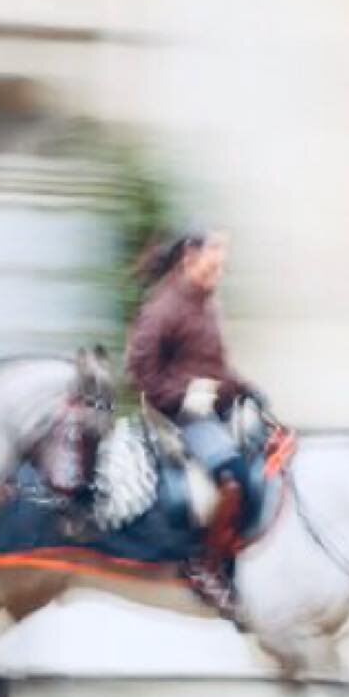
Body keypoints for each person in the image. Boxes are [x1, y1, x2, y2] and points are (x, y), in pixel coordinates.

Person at [124, 228, 263, 615]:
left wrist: (245, 388)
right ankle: (205, 567)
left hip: (212, 406)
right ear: (190, 255)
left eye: (225, 249)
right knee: (233, 478)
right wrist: (186, 395)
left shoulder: (208, 301)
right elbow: (139, 372)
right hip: (177, 415)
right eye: (216, 250)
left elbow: (212, 365)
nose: (223, 260)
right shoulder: (163, 308)